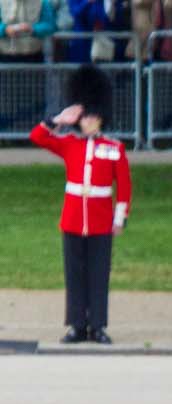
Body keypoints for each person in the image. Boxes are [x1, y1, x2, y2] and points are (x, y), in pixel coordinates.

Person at [28, 64, 129, 345]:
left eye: (94, 117)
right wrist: (58, 119)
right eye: (85, 117)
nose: (89, 122)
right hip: (73, 218)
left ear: (101, 118)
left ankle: (97, 326)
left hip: (100, 219)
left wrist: (119, 218)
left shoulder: (114, 148)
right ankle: (76, 325)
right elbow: (37, 137)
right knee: (75, 274)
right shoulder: (69, 143)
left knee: (98, 274)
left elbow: (124, 186)